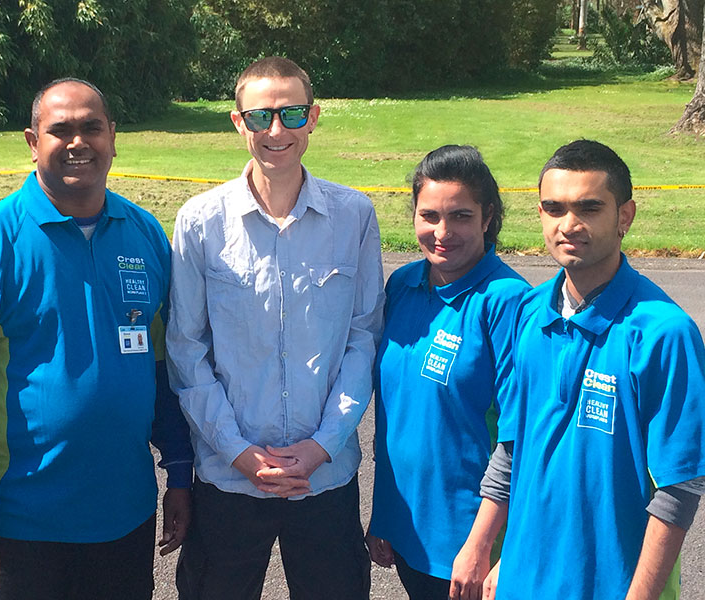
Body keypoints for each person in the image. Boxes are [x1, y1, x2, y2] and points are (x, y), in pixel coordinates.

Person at [0, 78, 193, 600]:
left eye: (92, 128)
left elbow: (163, 369)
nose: (78, 142)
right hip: (22, 524)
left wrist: (179, 471)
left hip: (124, 516)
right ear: (32, 142)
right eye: (60, 130)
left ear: (113, 137)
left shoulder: (145, 232)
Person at [166, 56, 385, 599]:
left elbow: (363, 340)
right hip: (230, 477)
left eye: (290, 113)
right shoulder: (200, 221)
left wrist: (323, 445)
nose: (277, 131)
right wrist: (238, 451)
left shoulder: (355, 215)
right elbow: (186, 348)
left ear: (313, 117)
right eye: (261, 117)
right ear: (238, 123)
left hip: (325, 478)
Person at [454, 139, 705, 600]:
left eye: (589, 207)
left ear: (625, 216)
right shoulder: (528, 313)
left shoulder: (664, 333)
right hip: (523, 580)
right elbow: (515, 447)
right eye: (554, 208)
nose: (568, 225)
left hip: (613, 585)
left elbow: (679, 487)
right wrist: (491, 550)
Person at [364, 146, 530, 600]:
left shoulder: (510, 303)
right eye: (429, 215)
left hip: (471, 539)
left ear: (487, 216)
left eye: (460, 216)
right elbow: (394, 418)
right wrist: (384, 515)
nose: (442, 232)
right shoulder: (402, 285)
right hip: (408, 527)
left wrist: (482, 546)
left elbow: (522, 437)